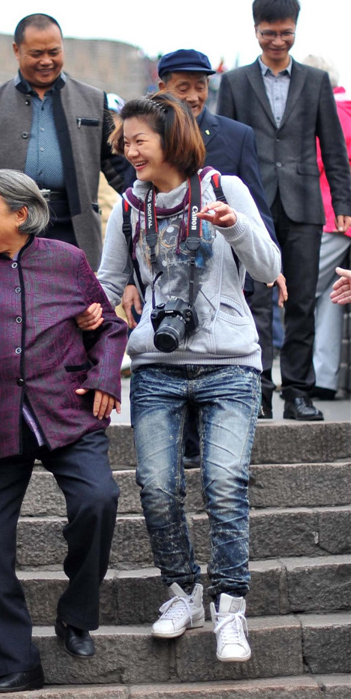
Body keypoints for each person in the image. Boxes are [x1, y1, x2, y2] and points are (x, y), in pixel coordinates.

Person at [97, 94, 281, 663]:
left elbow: (270, 269)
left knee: (225, 482)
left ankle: (231, 608)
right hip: (156, 366)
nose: (129, 152)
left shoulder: (224, 189)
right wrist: (99, 320)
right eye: (124, 143)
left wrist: (234, 228)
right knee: (155, 486)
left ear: (171, 139)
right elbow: (107, 284)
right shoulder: (127, 208)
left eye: (138, 141)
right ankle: (182, 592)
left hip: (229, 362)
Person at [0, 169, 127, 693]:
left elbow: (107, 324)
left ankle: (77, 612)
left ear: (21, 214)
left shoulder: (68, 261)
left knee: (99, 500)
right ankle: (14, 662)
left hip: (66, 408)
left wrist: (105, 373)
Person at [217, 0, 351, 421]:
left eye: (286, 33)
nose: (278, 41)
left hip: (305, 205)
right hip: (251, 206)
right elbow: (223, 147)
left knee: (302, 303)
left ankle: (297, 392)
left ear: (296, 29)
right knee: (255, 297)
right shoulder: (236, 82)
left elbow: (334, 148)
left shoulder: (315, 82)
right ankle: (258, 388)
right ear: (255, 31)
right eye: (269, 33)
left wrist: (344, 201)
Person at [0, 13, 124, 266]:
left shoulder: (93, 100)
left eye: (54, 52)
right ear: (16, 50)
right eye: (36, 54)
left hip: (72, 227)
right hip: (9, 225)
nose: (46, 61)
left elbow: (119, 167)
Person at [302, 56, 351, 400]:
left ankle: (311, 375)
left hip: (328, 213)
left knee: (304, 290)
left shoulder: (328, 112)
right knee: (332, 294)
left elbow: (319, 160)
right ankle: (324, 376)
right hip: (341, 218)